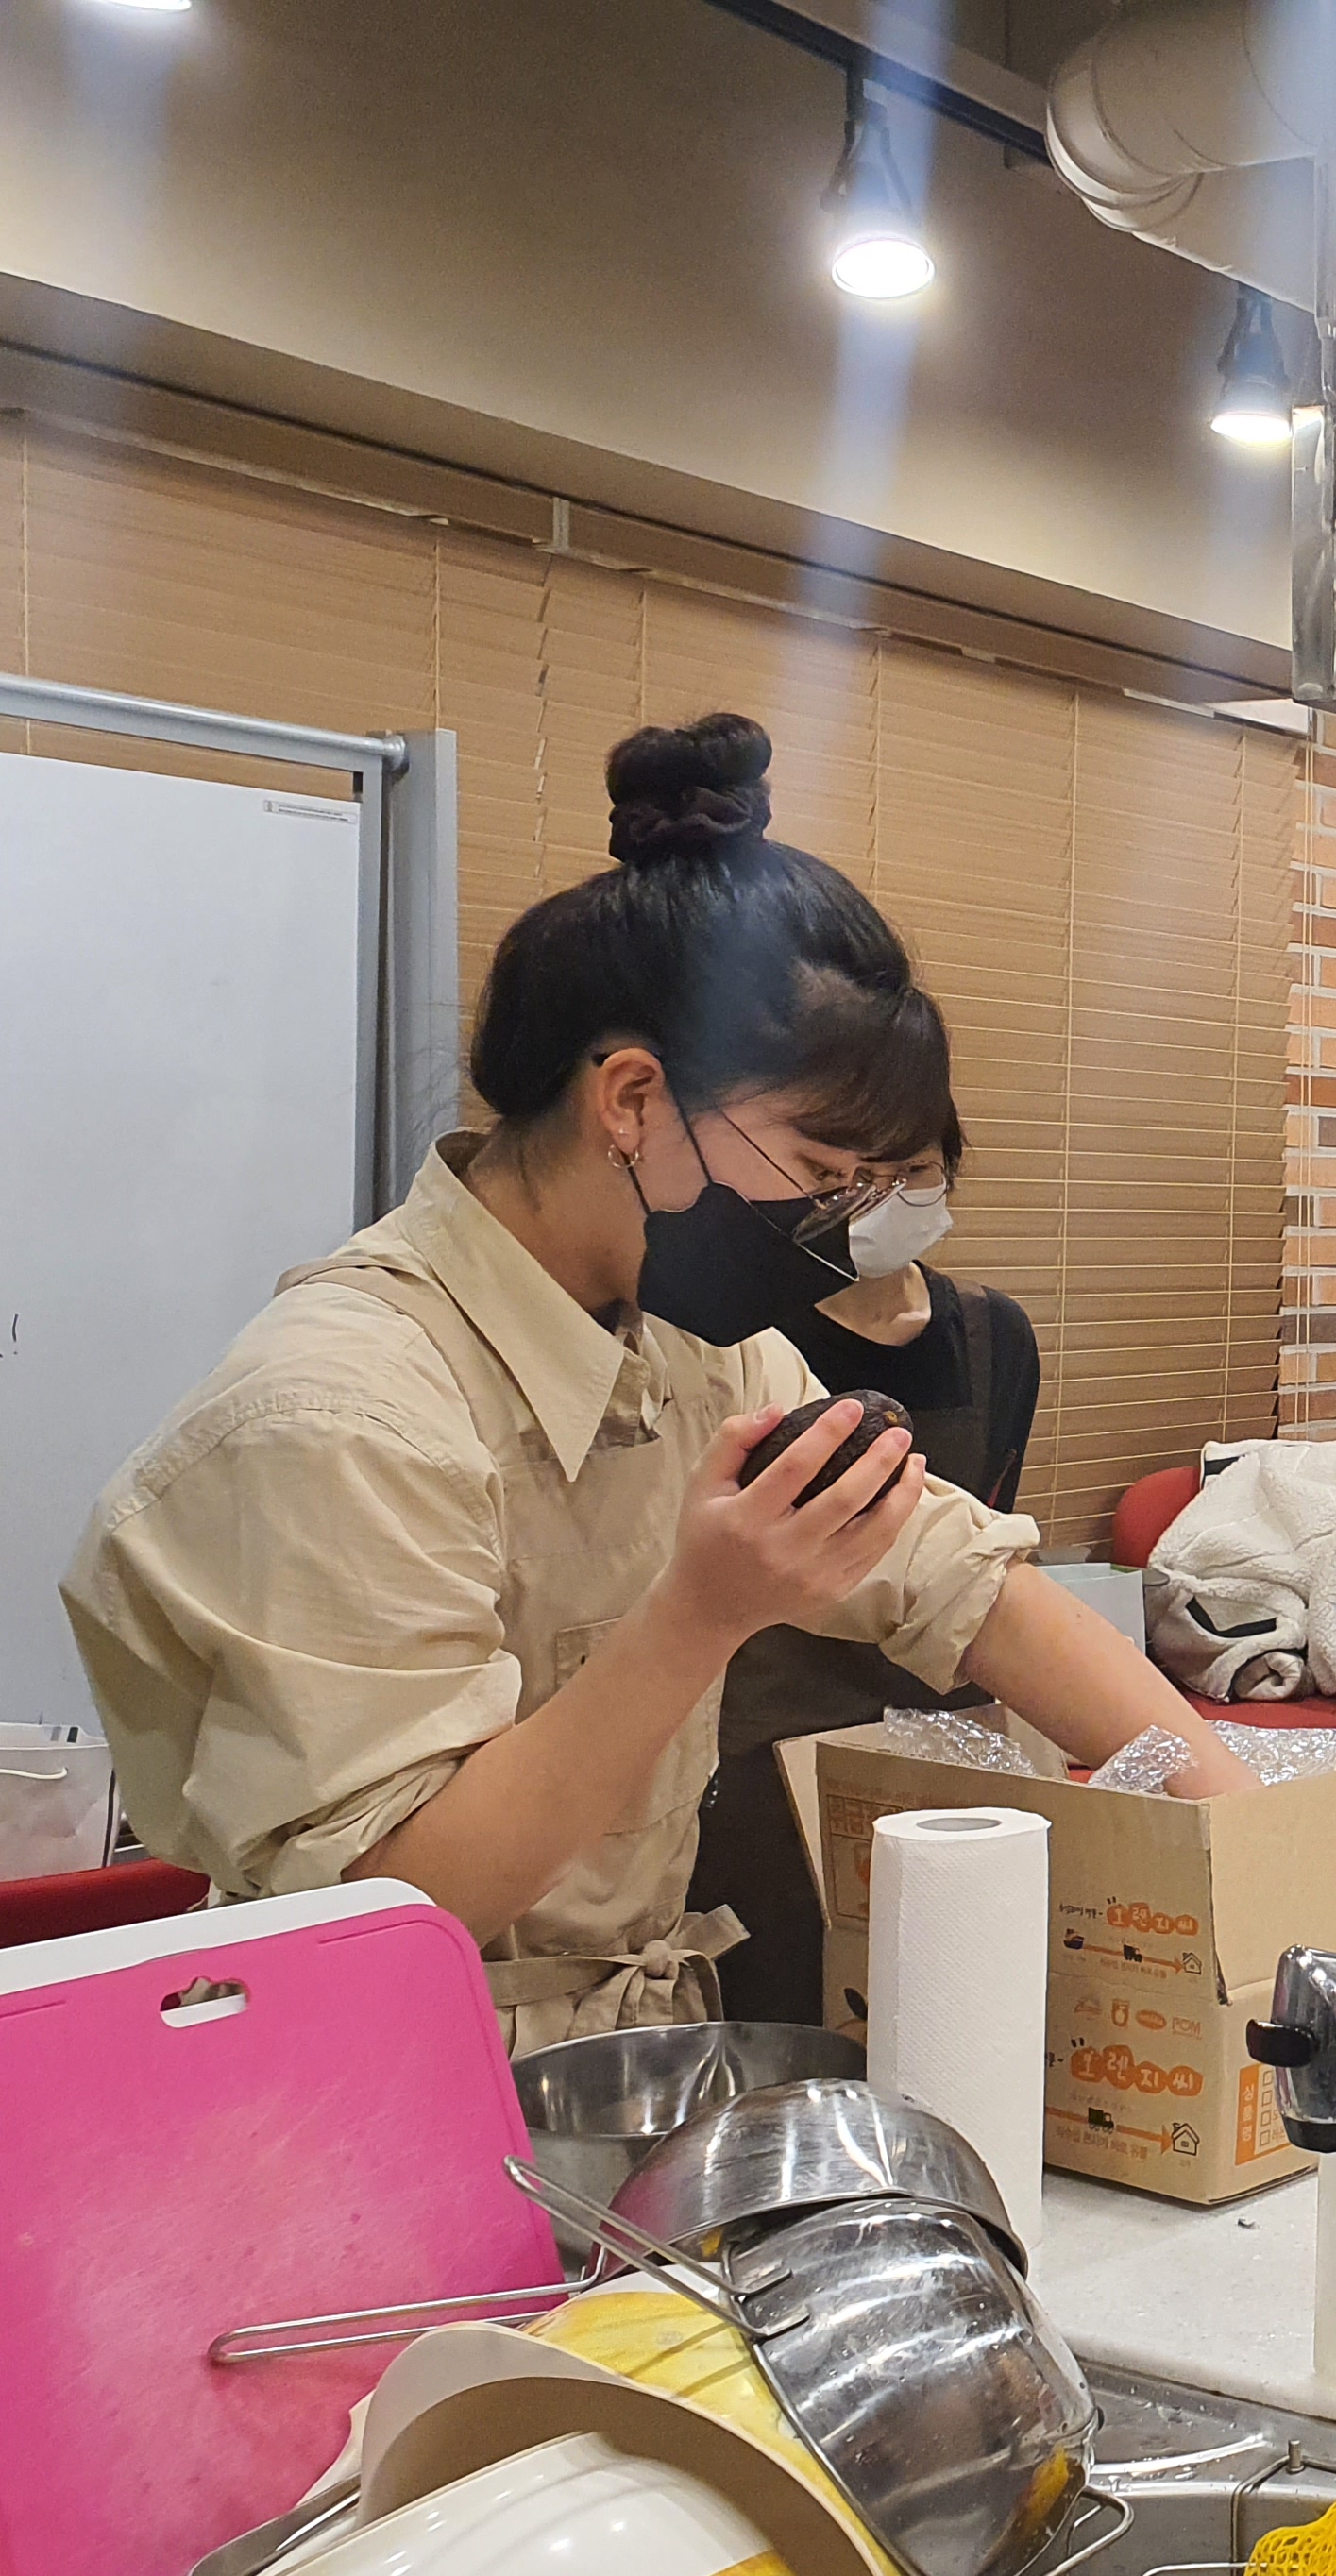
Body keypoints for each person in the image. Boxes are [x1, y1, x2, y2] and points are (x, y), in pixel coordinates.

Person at [63, 715, 1244, 2051]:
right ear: (632, 1100)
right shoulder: (340, 1411)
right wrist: (702, 1614)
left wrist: (1243, 1839)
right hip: (387, 2068)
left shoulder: (694, 1345)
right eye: (818, 1173)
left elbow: (961, 1584)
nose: (837, 1229)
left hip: (635, 2057)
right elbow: (394, 1910)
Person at [684, 1127, 1040, 2028]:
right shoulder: (742, 1344)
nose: (883, 1198)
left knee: (955, 2012)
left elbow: (978, 1554)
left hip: (942, 1738)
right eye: (856, 1177)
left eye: (913, 1173)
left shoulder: (993, 1335)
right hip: (766, 1750)